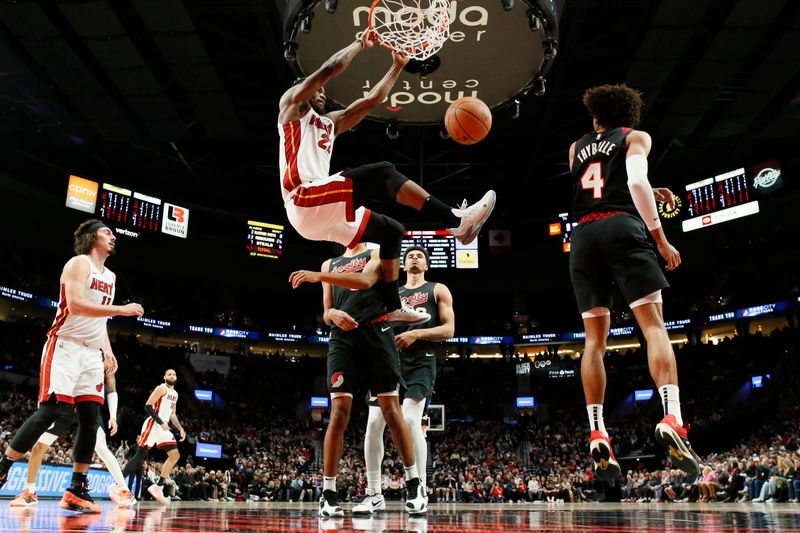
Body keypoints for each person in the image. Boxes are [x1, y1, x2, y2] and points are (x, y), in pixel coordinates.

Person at [279, 32, 495, 326]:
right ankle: (455, 220)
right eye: (317, 90)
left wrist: (396, 66)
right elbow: (328, 70)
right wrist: (358, 44)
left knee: (392, 231)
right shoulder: (291, 107)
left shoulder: (330, 123)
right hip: (302, 198)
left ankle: (392, 306)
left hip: (319, 209)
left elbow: (371, 100)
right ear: (303, 89)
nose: (323, 93)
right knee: (381, 172)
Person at [567, 83, 700, 480]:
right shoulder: (635, 137)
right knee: (653, 327)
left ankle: (597, 430)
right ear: (630, 116)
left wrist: (637, 189)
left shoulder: (575, 148)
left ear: (595, 116)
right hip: (622, 229)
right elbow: (636, 184)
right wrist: (660, 238)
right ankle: (671, 417)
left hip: (583, 237)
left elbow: (602, 183)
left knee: (594, 341)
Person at [0, 219, 144, 513]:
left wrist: (107, 350)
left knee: (91, 419)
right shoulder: (79, 263)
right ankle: (3, 467)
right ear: (92, 238)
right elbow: (76, 305)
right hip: (65, 345)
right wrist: (122, 309)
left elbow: (99, 319)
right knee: (52, 411)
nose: (113, 236)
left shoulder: (112, 276)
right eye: (107, 232)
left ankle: (77, 488)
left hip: (92, 353)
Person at [289, 243, 427, 517]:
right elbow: (327, 311)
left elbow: (365, 280)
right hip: (343, 340)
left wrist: (319, 276)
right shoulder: (329, 264)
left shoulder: (377, 251)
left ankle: (415, 485)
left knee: (391, 411)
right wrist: (332, 315)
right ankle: (328, 496)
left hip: (377, 331)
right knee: (339, 413)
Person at [353, 246, 454, 515]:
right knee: (374, 423)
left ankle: (418, 486)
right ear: (402, 264)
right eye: (410, 255)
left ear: (427, 264)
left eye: (420, 255)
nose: (414, 257)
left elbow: (449, 329)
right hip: (389, 360)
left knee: (410, 419)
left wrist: (416, 334)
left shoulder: (437, 289)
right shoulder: (391, 292)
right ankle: (373, 493)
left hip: (421, 360)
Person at [8, 371, 135, 509]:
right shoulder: (74, 351)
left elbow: (111, 388)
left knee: (101, 448)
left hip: (88, 406)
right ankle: (30, 492)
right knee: (38, 447)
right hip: (66, 405)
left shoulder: (104, 358)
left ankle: (124, 490)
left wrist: (113, 416)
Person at [121, 369, 186, 504]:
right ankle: (118, 484)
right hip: (153, 423)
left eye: (174, 374)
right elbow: (148, 407)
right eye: (169, 374)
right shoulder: (161, 388)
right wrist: (161, 422)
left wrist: (180, 428)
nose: (172, 376)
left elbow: (173, 414)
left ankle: (158, 486)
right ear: (164, 377)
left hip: (164, 427)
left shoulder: (175, 394)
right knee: (140, 456)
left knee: (175, 455)